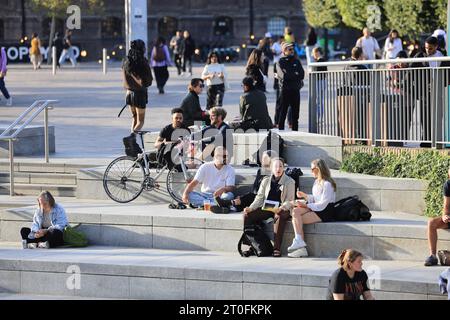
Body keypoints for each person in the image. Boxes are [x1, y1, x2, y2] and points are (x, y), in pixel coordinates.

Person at [243, 157, 295, 257]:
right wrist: (251, 207)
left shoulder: (290, 181)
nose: (278, 169)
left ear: (283, 168)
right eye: (275, 166)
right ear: (271, 168)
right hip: (268, 207)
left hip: (282, 208)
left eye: (280, 166)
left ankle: (277, 248)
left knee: (279, 215)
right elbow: (259, 198)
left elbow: (290, 200)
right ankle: (253, 245)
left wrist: (282, 207)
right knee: (247, 215)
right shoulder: (266, 180)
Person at [288, 159, 336, 258]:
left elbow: (322, 204)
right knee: (295, 211)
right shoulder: (317, 182)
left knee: (297, 219)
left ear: (319, 169)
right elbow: (315, 199)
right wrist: (305, 196)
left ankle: (301, 246)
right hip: (316, 207)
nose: (311, 171)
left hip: (325, 211)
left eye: (313, 169)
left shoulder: (328, 184)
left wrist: (306, 205)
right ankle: (299, 241)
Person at [122, 39, 153, 134]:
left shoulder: (126, 61)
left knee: (134, 118)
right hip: (139, 94)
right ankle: (131, 139)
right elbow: (148, 81)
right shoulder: (142, 62)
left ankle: (132, 143)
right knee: (141, 122)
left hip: (128, 93)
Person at [276, 42, 305, 131]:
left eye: (293, 49)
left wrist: (291, 74)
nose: (292, 51)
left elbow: (302, 74)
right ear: (284, 51)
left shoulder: (296, 61)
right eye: (290, 49)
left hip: (295, 90)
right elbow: (284, 76)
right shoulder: (280, 62)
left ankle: (295, 132)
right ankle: (280, 132)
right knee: (283, 113)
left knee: (295, 114)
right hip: (285, 90)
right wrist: (294, 74)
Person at [424, 168, 450, 266]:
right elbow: (446, 206)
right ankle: (433, 256)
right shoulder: (448, 185)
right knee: (432, 223)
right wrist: (445, 216)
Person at [311, 47, 328, 120]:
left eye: (314, 53)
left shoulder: (318, 62)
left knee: (317, 100)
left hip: (319, 82)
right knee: (320, 100)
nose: (313, 55)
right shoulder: (323, 60)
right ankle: (320, 117)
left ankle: (318, 117)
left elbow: (314, 72)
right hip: (323, 81)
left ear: (317, 52)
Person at [272, 36, 284, 126]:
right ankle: (277, 121)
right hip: (276, 62)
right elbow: (273, 52)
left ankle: (280, 121)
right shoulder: (275, 44)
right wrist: (278, 52)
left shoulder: (283, 45)